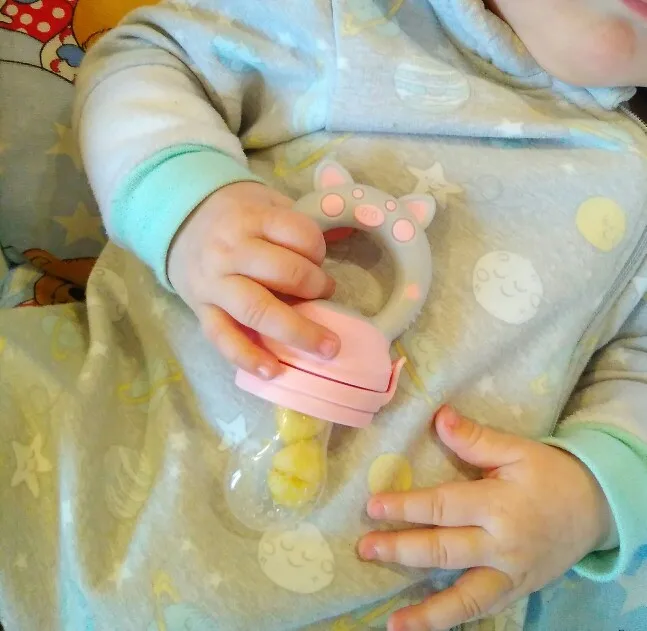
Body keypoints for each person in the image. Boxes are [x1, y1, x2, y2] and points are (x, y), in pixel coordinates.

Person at [1, 1, 646, 630]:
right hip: (66, 464)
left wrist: (589, 496)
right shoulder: (351, 18)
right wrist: (191, 206)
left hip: (379, 597)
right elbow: (149, 57)